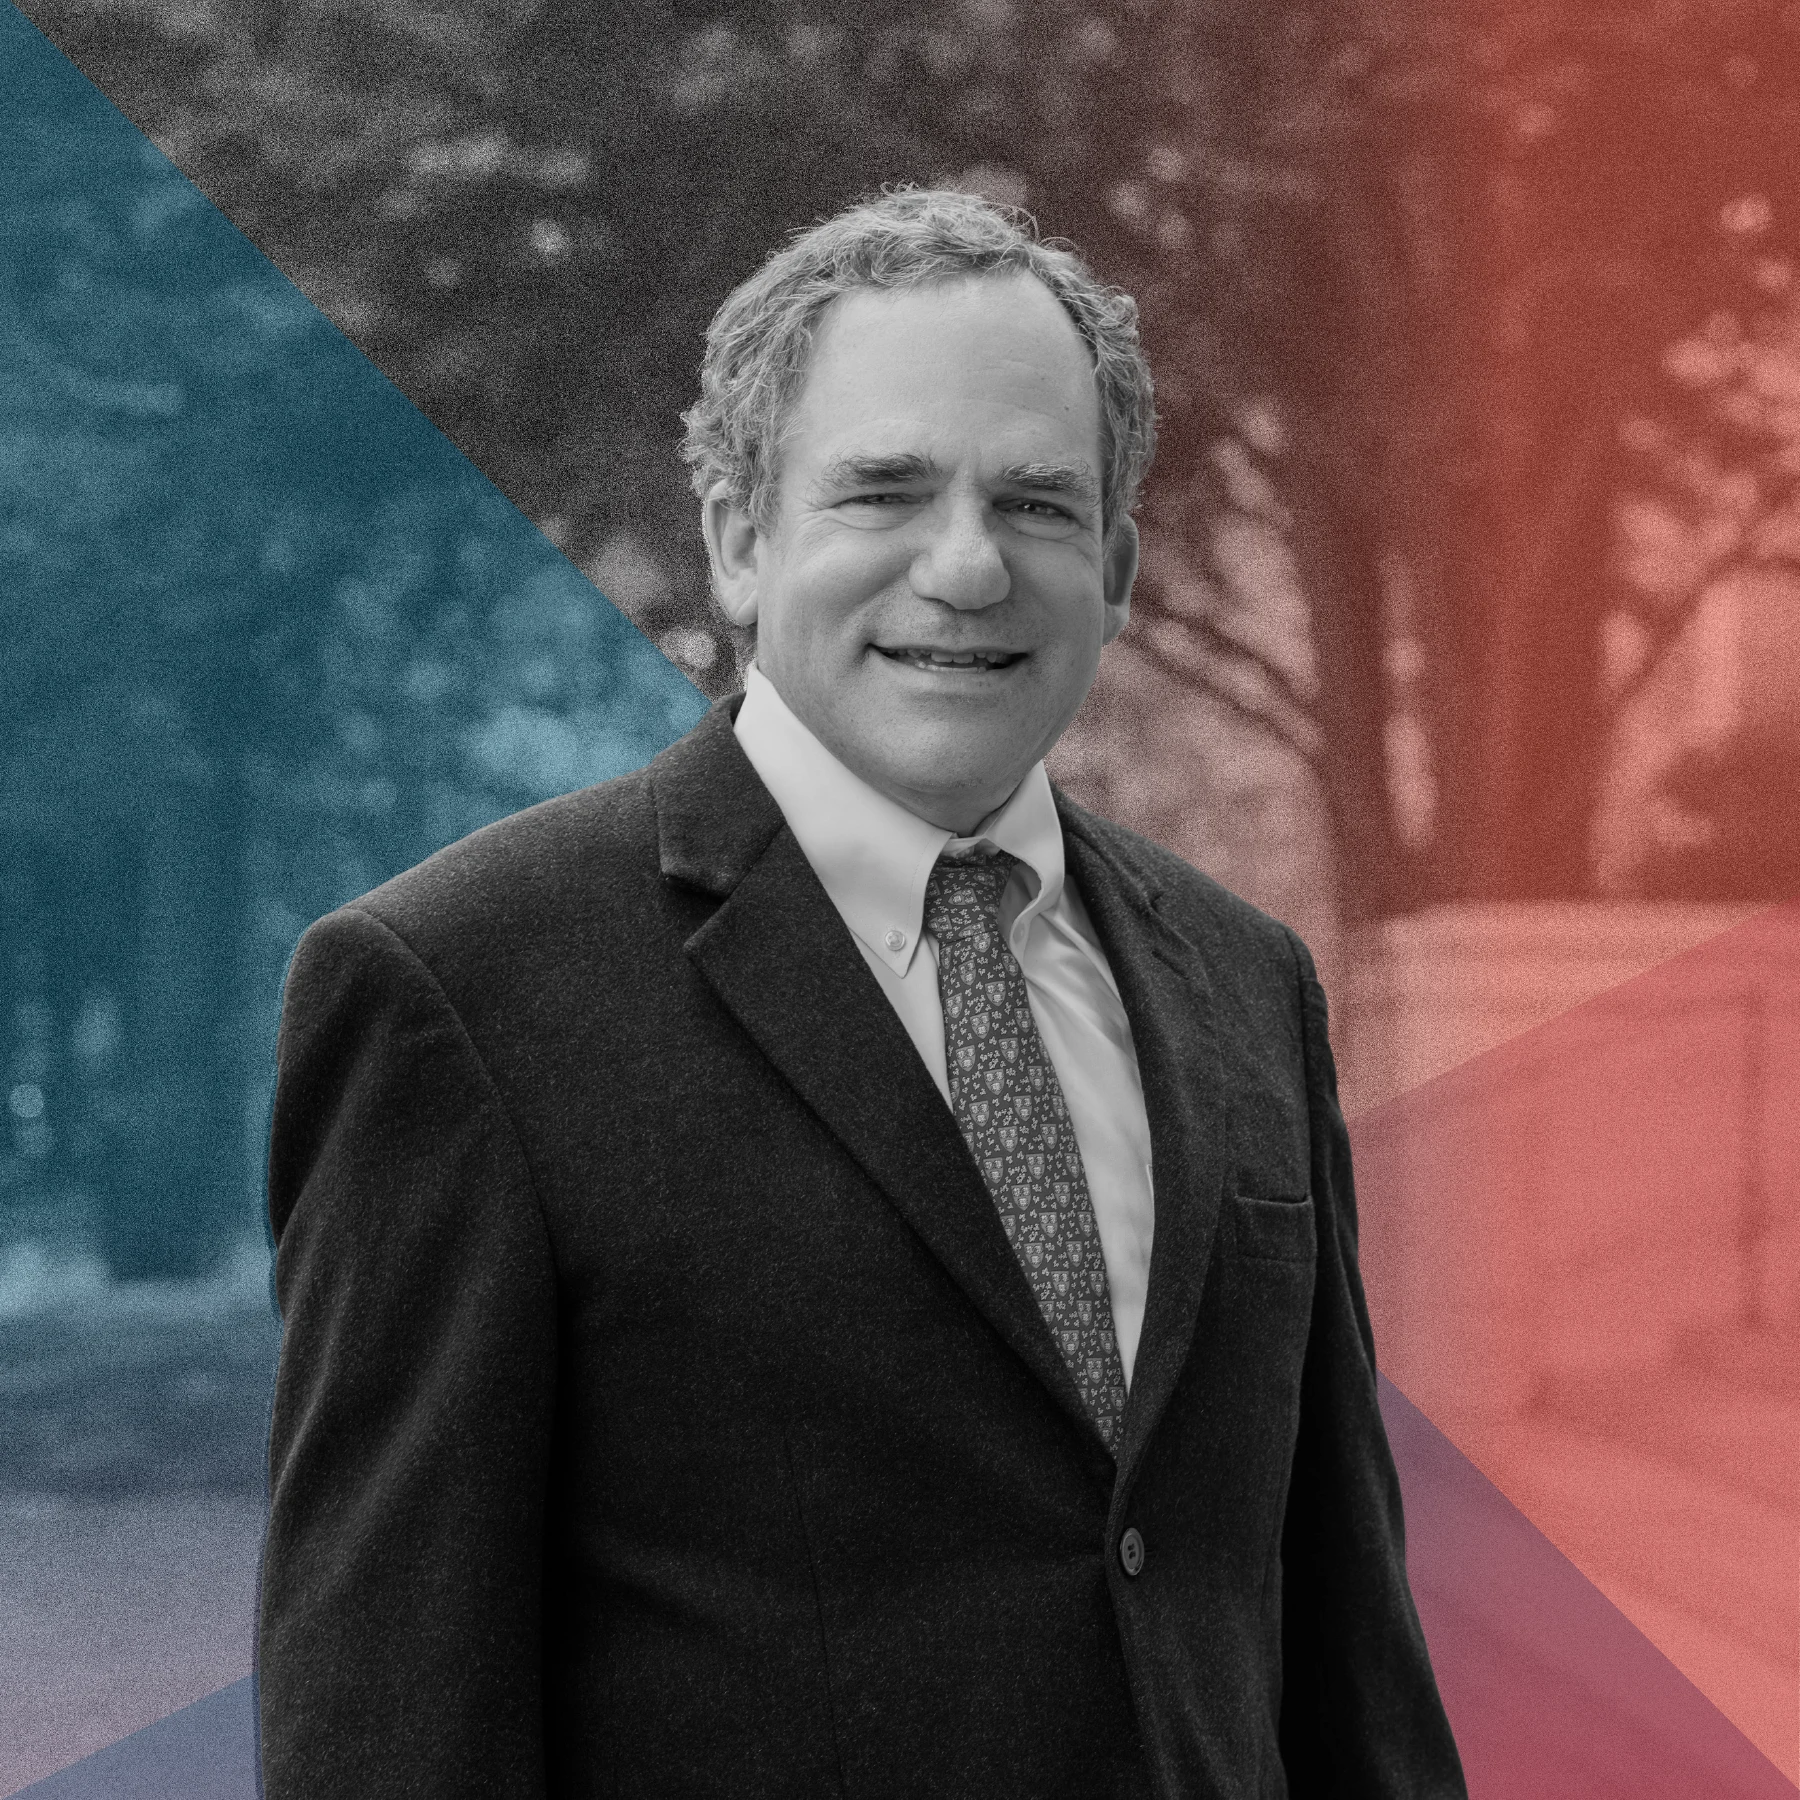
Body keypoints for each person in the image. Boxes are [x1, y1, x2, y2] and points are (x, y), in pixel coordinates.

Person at [257, 187, 1465, 1799]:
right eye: (885, 491)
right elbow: (387, 1725)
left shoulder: (1250, 986)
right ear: (741, 541)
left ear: (1113, 567)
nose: (966, 568)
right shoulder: (458, 996)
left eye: (1038, 505)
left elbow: (1344, 1650)